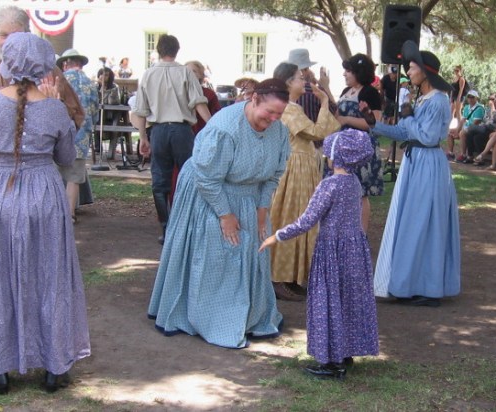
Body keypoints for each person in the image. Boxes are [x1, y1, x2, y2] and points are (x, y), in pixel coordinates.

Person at [0, 32, 90, 395]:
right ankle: (54, 368)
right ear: (45, 65)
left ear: (7, 63)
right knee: (50, 278)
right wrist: (59, 112)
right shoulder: (55, 108)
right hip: (44, 197)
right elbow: (66, 160)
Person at [147, 79, 290, 349]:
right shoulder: (224, 129)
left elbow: (274, 174)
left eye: (279, 114)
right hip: (208, 190)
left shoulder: (279, 132)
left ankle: (249, 314)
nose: (272, 119)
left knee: (251, 249)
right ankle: (213, 315)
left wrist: (262, 210)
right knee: (218, 253)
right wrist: (225, 215)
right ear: (255, 99)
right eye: (269, 112)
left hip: (249, 196)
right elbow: (208, 177)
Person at [259, 129, 378, 380]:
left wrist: (276, 236)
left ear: (335, 155)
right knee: (346, 301)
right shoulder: (353, 182)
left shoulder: (330, 185)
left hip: (332, 253)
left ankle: (332, 363)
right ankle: (345, 353)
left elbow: (306, 221)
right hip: (354, 251)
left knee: (330, 302)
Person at [360, 40, 461, 307]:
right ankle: (411, 284)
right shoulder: (424, 99)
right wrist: (374, 123)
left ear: (426, 71)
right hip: (416, 163)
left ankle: (428, 288)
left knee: (424, 222)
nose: (409, 71)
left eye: (413, 66)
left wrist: (407, 116)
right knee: (414, 223)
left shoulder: (438, 100)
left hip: (428, 164)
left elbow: (427, 136)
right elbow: (406, 132)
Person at [0, 6, 84, 181]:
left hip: (41, 172)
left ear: (28, 35)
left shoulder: (50, 73)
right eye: (4, 35)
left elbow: (77, 115)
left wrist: (52, 108)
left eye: (17, 36)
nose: (10, 43)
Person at [131, 34, 211, 245]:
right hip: (182, 130)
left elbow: (140, 110)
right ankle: (187, 226)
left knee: (160, 182)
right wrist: (212, 126)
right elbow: (198, 103)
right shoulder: (185, 72)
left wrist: (142, 137)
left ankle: (167, 229)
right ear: (177, 50)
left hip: (158, 131)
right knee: (190, 177)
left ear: (158, 50)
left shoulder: (148, 74)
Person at [270, 62, 340, 301]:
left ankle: (291, 276)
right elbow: (318, 132)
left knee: (300, 218)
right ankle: (278, 277)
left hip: (302, 168)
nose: (305, 82)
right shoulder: (288, 109)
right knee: (290, 217)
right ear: (289, 82)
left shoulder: (293, 108)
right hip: (294, 170)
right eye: (300, 78)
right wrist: (323, 102)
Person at [336, 53, 383, 233]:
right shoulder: (345, 92)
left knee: (360, 193)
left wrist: (346, 119)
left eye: (348, 71)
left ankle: (360, 234)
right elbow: (336, 118)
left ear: (359, 72)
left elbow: (373, 123)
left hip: (362, 148)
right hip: (344, 147)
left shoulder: (370, 93)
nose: (344, 74)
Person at [57, 49, 99, 223]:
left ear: (66, 63)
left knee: (58, 173)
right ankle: (70, 214)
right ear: (80, 64)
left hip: (60, 133)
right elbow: (95, 111)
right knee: (74, 176)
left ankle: (57, 212)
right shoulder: (90, 83)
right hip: (82, 135)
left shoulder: (61, 81)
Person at [287, 49, 337, 125]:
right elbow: (335, 114)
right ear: (305, 70)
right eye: (308, 68)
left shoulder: (281, 89)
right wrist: (325, 87)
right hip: (314, 134)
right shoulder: (316, 91)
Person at [185, 60, 221, 135]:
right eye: (187, 71)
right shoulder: (179, 93)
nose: (189, 74)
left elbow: (216, 115)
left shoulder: (209, 94)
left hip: (203, 133)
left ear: (201, 75)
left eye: (193, 71)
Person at [448, 90, 485, 162]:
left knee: (462, 133)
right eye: (469, 97)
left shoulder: (479, 108)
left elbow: (475, 123)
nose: (470, 99)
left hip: (476, 129)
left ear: (476, 98)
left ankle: (463, 154)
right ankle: (451, 152)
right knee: (450, 132)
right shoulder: (466, 107)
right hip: (467, 127)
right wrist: (456, 130)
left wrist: (461, 130)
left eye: (472, 97)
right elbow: (462, 120)